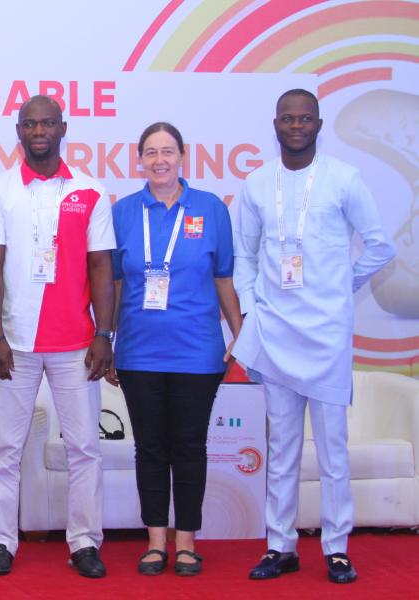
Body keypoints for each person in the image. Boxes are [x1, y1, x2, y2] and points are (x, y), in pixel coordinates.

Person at [233, 89, 395, 584]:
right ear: (275, 125)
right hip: (276, 333)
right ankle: (280, 545)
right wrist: (252, 309)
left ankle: (336, 547)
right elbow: (244, 256)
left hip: (326, 336)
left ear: (319, 125)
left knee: (332, 452)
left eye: (305, 119)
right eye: (288, 119)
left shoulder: (344, 179)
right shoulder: (257, 183)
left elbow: (380, 246)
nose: (297, 126)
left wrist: (341, 288)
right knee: (281, 450)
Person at [0, 95, 115, 578]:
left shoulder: (90, 190)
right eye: (30, 124)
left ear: (63, 128)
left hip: (77, 344)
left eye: (48, 123)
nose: (39, 132)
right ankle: (0, 540)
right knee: (3, 449)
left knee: (85, 448)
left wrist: (104, 333)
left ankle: (84, 542)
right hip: (14, 344)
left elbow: (101, 266)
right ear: (18, 131)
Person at [107, 122, 242, 577]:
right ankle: (155, 542)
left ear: (182, 156)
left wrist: (240, 335)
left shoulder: (210, 208)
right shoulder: (124, 212)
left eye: (168, 151)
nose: (159, 160)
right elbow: (114, 284)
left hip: (197, 353)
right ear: (139, 160)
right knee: (149, 448)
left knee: (188, 446)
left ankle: (186, 542)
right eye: (151, 152)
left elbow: (223, 278)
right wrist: (108, 341)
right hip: (138, 353)